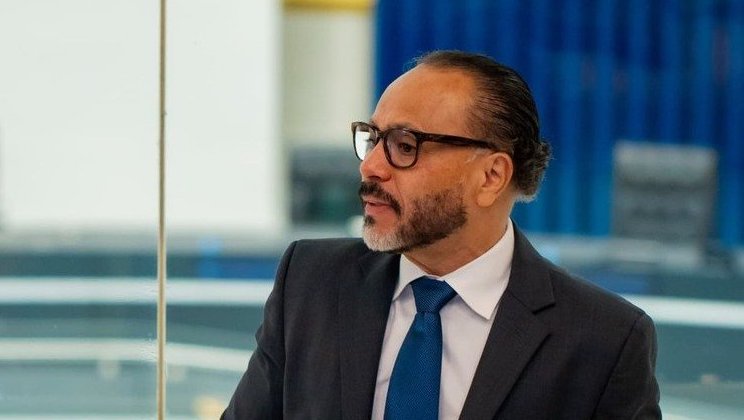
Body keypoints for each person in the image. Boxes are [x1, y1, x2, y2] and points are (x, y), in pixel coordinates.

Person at [222, 50, 660, 419]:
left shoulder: (605, 341)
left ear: (491, 176)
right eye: (372, 139)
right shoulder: (310, 282)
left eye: (405, 146)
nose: (370, 166)